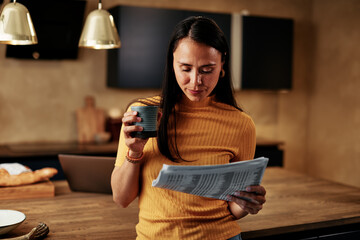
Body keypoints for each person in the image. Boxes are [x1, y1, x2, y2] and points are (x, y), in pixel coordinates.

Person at [111, 16, 266, 240]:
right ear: (171, 63)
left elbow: (232, 209)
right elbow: (121, 199)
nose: (195, 82)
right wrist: (134, 152)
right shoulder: (144, 113)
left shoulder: (241, 124)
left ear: (222, 65)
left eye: (207, 70)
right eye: (185, 68)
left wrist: (247, 204)